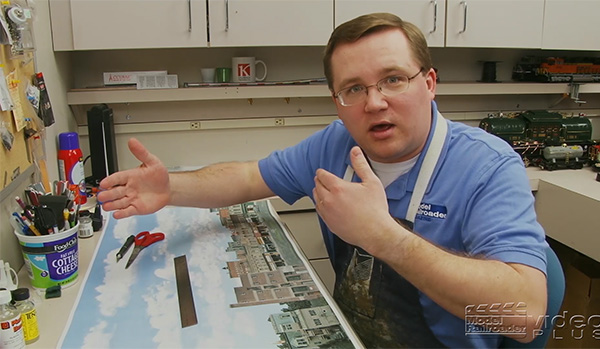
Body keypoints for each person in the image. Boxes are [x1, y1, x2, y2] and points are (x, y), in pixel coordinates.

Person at [98, 13, 548, 348]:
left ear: (429, 83)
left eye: (393, 79)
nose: (374, 102)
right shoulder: (336, 145)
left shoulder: (488, 167)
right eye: (354, 89)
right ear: (337, 101)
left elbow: (526, 315)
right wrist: (170, 189)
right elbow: (249, 177)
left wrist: (383, 237)